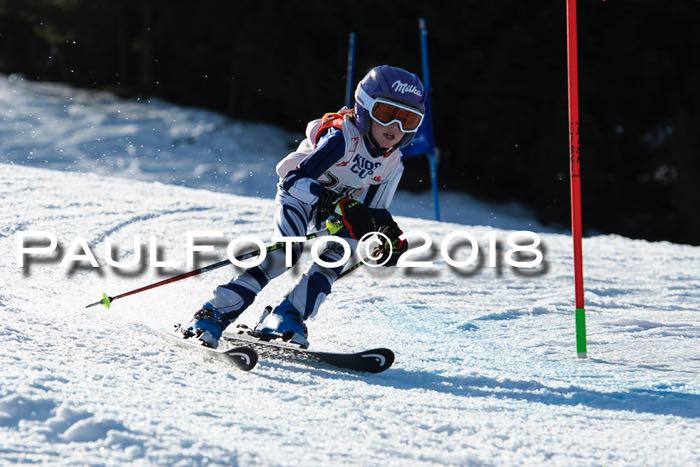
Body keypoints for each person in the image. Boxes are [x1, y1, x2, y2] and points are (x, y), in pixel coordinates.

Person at [181, 65, 426, 348]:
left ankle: (287, 315)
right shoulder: (342, 139)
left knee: (338, 256)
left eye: (408, 120)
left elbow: (373, 213)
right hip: (299, 197)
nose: (395, 129)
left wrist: (388, 236)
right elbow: (293, 180)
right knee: (286, 253)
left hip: (338, 212)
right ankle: (212, 313)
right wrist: (333, 202)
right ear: (365, 108)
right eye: (387, 115)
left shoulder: (393, 163)